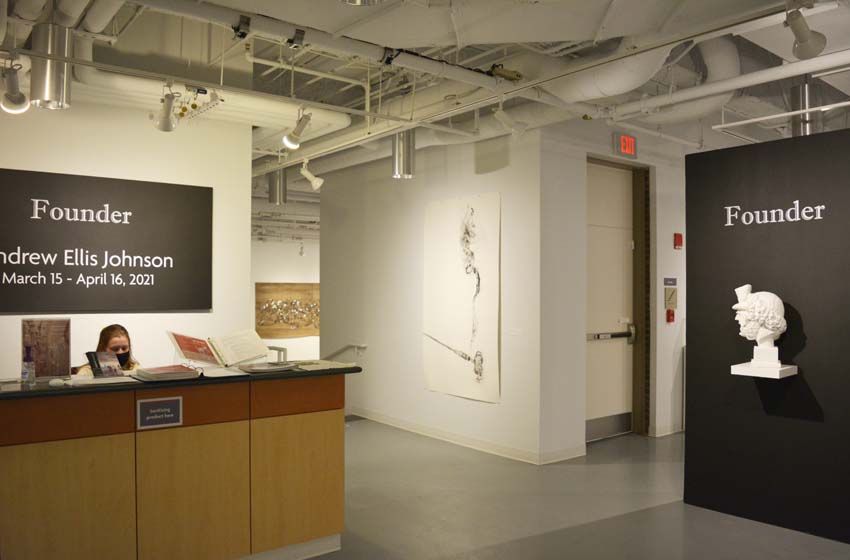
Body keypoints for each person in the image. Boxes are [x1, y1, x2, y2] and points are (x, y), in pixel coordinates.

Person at [73, 324, 140, 378]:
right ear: (103, 349)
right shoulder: (87, 372)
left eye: (124, 348)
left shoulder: (135, 369)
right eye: (115, 349)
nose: (120, 352)